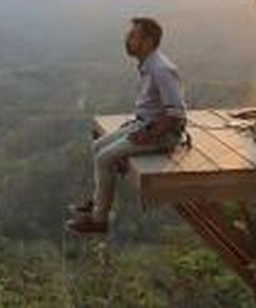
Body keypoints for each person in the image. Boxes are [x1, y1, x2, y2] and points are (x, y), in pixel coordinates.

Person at [65, 17, 187, 235]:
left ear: (148, 41)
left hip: (162, 134)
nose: (127, 40)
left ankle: (99, 220)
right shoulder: (148, 65)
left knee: (105, 158)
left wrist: (148, 135)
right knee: (98, 147)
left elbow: (176, 115)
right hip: (143, 125)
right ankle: (98, 201)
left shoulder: (162, 69)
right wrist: (140, 127)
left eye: (133, 36)